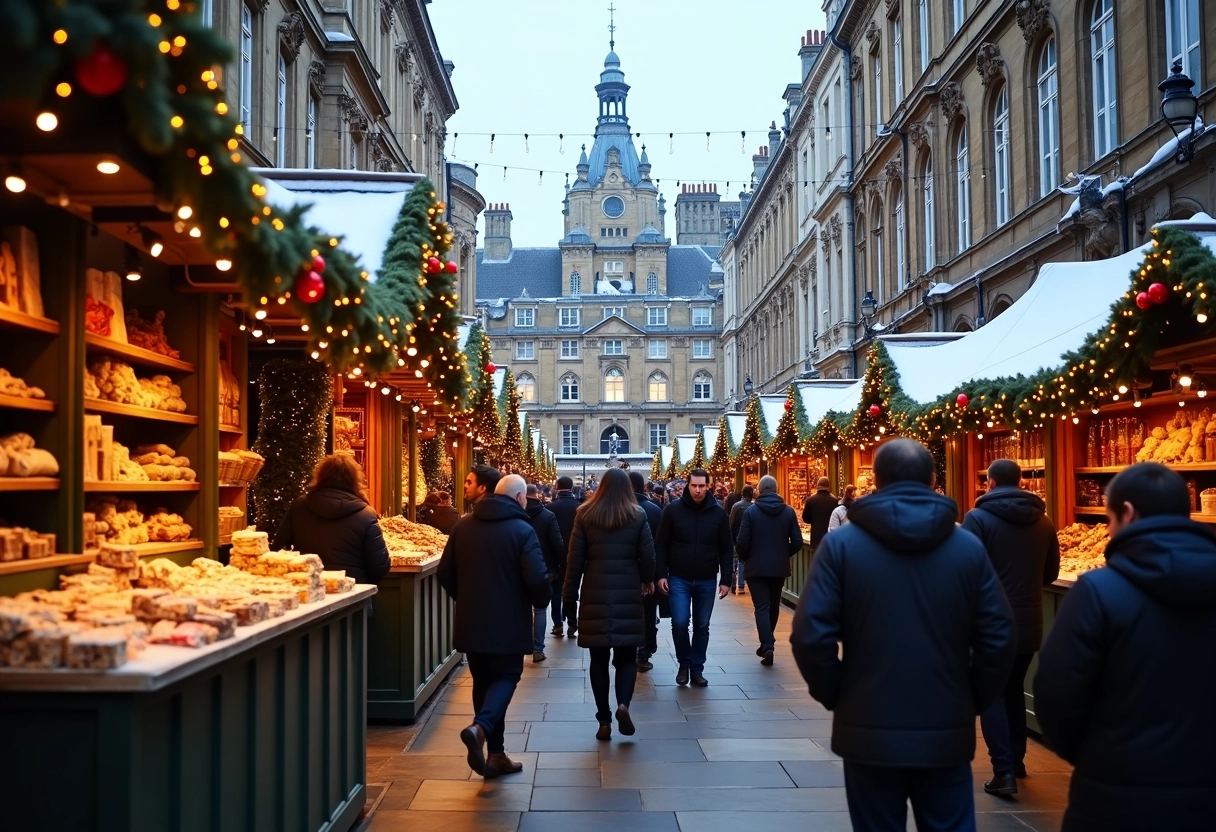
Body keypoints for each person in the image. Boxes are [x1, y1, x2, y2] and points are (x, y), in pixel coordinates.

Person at [790, 439, 1015, 832]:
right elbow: (999, 635)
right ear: (932, 479)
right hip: (945, 725)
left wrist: (839, 693)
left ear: (875, 480)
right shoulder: (966, 546)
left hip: (867, 726)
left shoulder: (842, 545)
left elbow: (810, 635)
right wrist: (971, 697)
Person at [1034, 463, 1216, 831]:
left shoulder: (1099, 591)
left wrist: (1091, 758)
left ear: (1127, 514)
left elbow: (1056, 694)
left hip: (1114, 798)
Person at [437, 472, 550, 779]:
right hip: (509, 620)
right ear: (520, 498)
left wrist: (465, 597)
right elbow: (537, 577)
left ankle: (495, 755)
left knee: (483, 681)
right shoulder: (522, 530)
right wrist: (541, 599)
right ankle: (481, 728)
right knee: (507, 675)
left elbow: (445, 572)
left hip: (471, 619)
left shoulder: (463, 526)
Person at [961, 459, 1060, 796]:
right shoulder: (1044, 521)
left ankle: (1003, 771)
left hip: (990, 621)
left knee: (992, 694)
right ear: (1020, 481)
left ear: (988, 481)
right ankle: (1016, 761)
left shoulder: (977, 519)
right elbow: (1049, 574)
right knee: (1013, 689)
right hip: (1030, 620)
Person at [563, 468, 656, 740]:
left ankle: (603, 719)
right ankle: (623, 704)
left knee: (598, 659)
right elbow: (648, 555)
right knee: (626, 657)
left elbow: (575, 559)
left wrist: (569, 594)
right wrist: (648, 580)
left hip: (595, 593)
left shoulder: (584, 514)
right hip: (627, 590)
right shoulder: (637, 515)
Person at [655, 468, 733, 687]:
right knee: (680, 623)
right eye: (694, 486)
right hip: (679, 576)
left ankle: (697, 668)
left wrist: (726, 579)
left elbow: (727, 547)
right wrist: (661, 574)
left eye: (702, 486)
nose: (698, 490)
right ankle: (684, 663)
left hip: (707, 577)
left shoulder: (718, 513)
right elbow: (661, 544)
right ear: (687, 486)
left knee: (702, 625)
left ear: (708, 486)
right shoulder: (673, 510)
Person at [274, 454, 390, 584]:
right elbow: (380, 566)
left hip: (309, 587)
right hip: (353, 593)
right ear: (354, 480)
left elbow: (278, 549)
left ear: (320, 476)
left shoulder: (299, 506)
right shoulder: (366, 514)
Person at [735, 476, 802, 666]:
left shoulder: (751, 512)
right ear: (776, 489)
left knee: (762, 607)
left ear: (760, 490)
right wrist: (783, 553)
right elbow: (797, 541)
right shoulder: (788, 512)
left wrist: (746, 556)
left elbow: (742, 541)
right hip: (778, 567)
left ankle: (767, 644)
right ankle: (767, 643)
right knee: (773, 605)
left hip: (756, 567)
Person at [524, 483, 565, 663]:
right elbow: (557, 543)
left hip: (520, 568)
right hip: (544, 568)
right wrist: (560, 565)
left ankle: (521, 645)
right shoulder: (548, 516)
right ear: (538, 494)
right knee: (540, 610)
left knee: (521, 608)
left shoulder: (517, 516)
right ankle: (537, 649)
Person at [629, 470, 662, 672]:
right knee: (648, 612)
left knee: (629, 612)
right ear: (643, 487)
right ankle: (644, 650)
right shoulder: (655, 509)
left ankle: (630, 648)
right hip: (650, 571)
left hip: (626, 572)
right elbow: (661, 544)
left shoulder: (620, 509)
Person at [547, 476, 581, 638]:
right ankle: (572, 622)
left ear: (557, 487)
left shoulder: (550, 508)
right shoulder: (580, 508)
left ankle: (557, 623)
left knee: (556, 591)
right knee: (572, 589)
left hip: (555, 556)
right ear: (572, 487)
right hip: (575, 555)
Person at [728, 485, 755, 594]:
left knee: (734, 560)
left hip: (735, 537)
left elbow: (731, 522)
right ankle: (741, 584)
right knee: (742, 561)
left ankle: (733, 580)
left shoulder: (736, 506)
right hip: (749, 538)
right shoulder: (753, 507)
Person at [801, 477, 838, 550]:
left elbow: (806, 519)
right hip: (830, 539)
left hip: (816, 540)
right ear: (828, 487)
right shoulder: (835, 501)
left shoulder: (810, 500)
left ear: (817, 486)